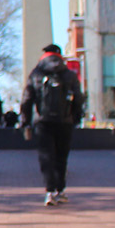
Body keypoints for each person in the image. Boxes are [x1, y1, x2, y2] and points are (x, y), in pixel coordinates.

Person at [20, 43, 84, 206]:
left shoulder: (36, 73)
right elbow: (78, 97)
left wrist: (25, 121)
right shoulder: (69, 74)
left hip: (43, 121)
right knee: (62, 156)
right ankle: (61, 190)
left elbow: (27, 99)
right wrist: (75, 117)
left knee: (46, 156)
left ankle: (49, 191)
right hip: (64, 121)